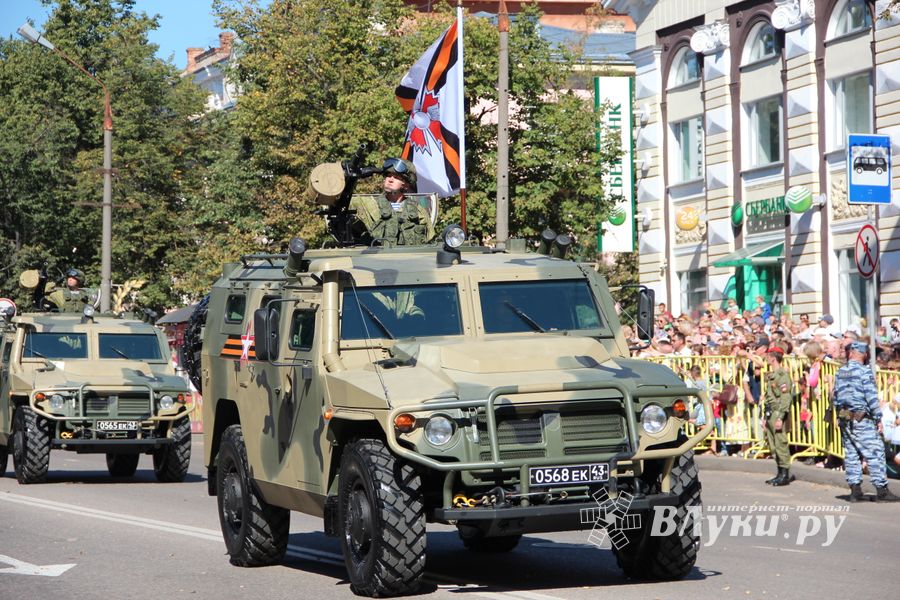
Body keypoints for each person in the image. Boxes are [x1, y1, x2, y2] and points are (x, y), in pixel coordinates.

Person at [833, 341, 900, 502]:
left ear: (851, 354)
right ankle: (882, 490)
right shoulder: (864, 372)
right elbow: (871, 397)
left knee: (852, 454)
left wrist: (838, 415)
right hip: (861, 419)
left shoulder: (841, 372)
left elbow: (836, 396)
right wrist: (878, 417)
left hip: (845, 418)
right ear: (863, 354)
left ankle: (855, 490)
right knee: (875, 452)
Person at [352, 158, 433, 246]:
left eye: (396, 177)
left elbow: (431, 240)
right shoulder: (366, 205)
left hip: (409, 257)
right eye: (388, 176)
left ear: (406, 184)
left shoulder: (419, 211)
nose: (390, 180)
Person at [762, 346, 794, 486]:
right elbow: (769, 397)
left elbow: (785, 398)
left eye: (768, 356)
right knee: (774, 446)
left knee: (780, 444)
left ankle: (785, 475)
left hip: (777, 413)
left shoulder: (782, 377)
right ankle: (779, 473)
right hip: (770, 412)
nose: (766, 358)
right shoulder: (772, 376)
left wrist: (780, 417)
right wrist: (765, 416)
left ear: (773, 358)